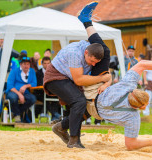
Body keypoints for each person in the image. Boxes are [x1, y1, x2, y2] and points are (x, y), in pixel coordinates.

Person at [53, 59, 152, 150]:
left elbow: (143, 63)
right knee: (87, 110)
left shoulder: (128, 84)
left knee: (101, 66)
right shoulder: (132, 117)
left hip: (90, 93)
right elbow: (130, 145)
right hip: (96, 110)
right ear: (138, 107)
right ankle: (62, 125)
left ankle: (62, 123)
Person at [44, 1, 111, 148]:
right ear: (86, 52)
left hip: (70, 77)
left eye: (95, 63)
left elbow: (105, 72)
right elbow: (79, 80)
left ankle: (61, 127)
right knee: (79, 102)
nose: (93, 64)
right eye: (91, 61)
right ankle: (74, 141)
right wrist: (101, 78)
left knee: (105, 51)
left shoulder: (91, 52)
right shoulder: (74, 53)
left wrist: (107, 81)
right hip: (55, 77)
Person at [0, 39, 19, 122]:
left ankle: (3, 117)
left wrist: (7, 47)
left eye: (3, 39)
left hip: (5, 75)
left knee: (3, 97)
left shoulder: (8, 50)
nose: (1, 40)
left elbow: (17, 54)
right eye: (0, 39)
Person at [6, 56, 37, 122]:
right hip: (13, 91)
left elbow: (34, 83)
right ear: (20, 64)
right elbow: (9, 85)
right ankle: (17, 115)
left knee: (33, 99)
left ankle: (16, 113)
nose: (26, 66)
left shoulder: (32, 71)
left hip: (25, 92)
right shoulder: (14, 71)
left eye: (28, 64)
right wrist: (19, 94)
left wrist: (25, 86)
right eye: (24, 64)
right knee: (14, 98)